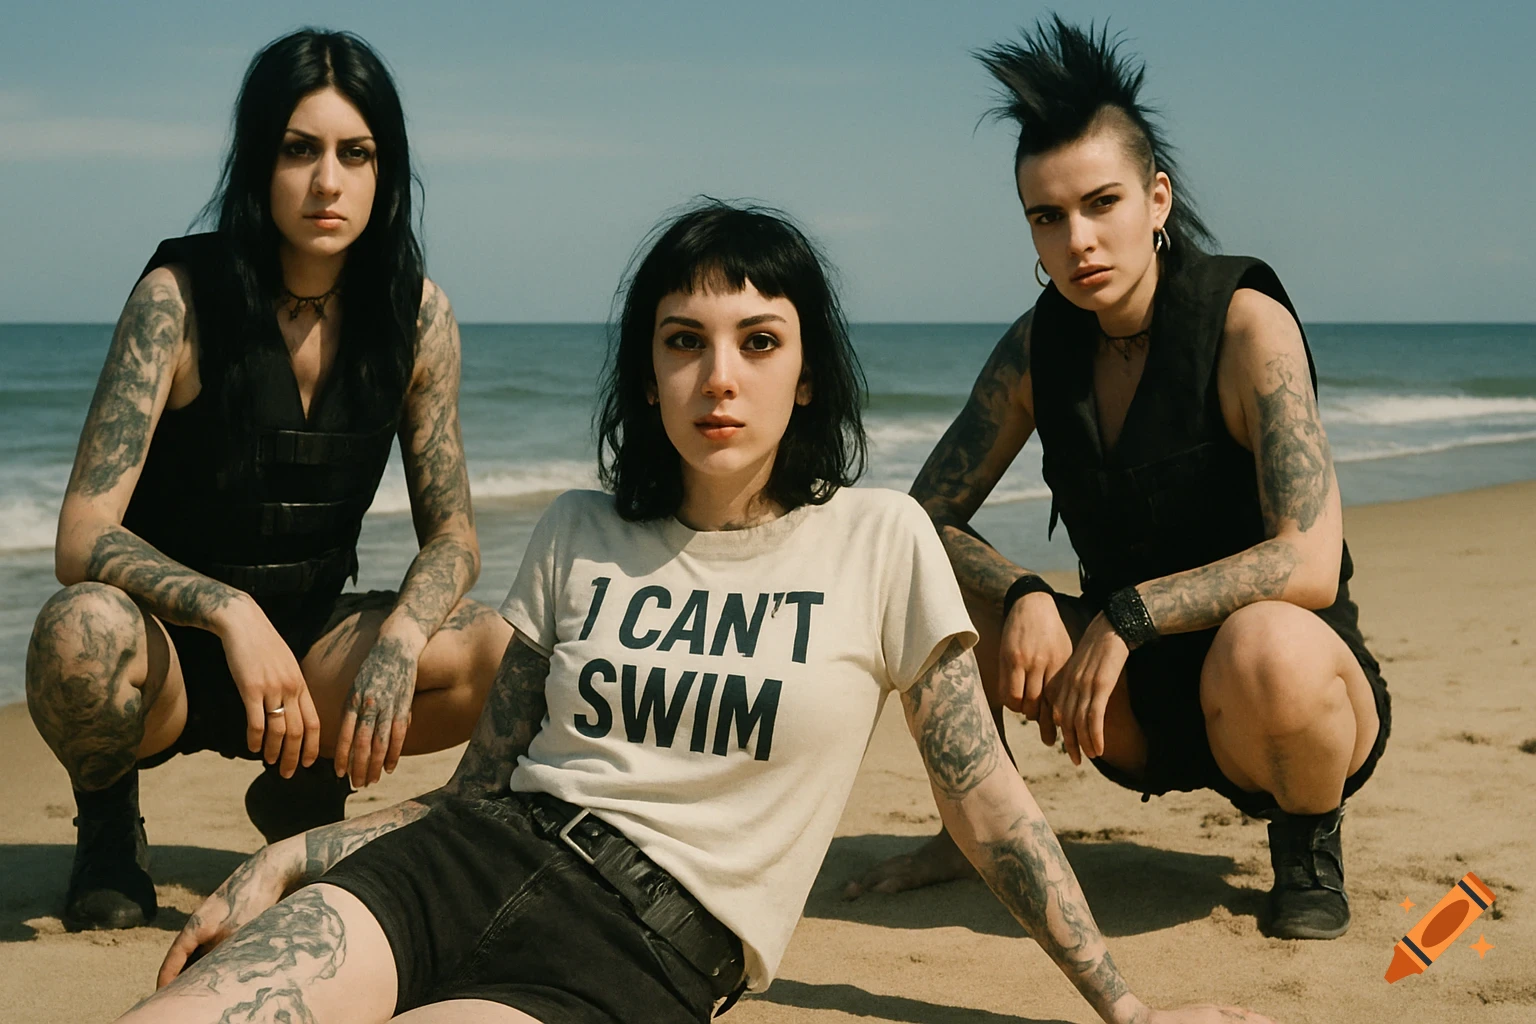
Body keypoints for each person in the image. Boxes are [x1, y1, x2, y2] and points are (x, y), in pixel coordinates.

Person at [113, 202, 1276, 1024]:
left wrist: (1128, 1005)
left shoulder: (879, 541)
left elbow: (987, 806)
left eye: (758, 341)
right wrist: (297, 856)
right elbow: (481, 790)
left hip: (637, 949)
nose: (719, 376)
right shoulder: (577, 529)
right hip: (457, 863)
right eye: (684, 343)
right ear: (647, 369)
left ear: (807, 371)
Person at [847, 18, 1390, 942]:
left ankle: (1307, 840)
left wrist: (1128, 614)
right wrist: (1019, 590)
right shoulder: (1037, 347)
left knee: (1268, 642)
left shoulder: (1244, 325)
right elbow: (917, 521)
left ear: (1158, 198)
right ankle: (970, 828)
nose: (1079, 240)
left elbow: (1309, 561)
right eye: (1048, 217)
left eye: (1101, 204)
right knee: (933, 585)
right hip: (1127, 707)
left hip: (1279, 699)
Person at [24, 28, 509, 933]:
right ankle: (107, 821)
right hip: (170, 651)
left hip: (311, 656)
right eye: (300, 149)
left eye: (354, 153)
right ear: (259, 161)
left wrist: (402, 636)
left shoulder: (418, 317)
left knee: (502, 656)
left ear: (384, 171)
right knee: (73, 634)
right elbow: (82, 534)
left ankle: (299, 787)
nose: (328, 181)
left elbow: (455, 535)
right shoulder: (180, 297)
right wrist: (227, 611)